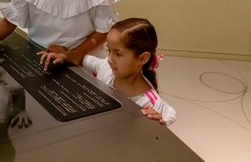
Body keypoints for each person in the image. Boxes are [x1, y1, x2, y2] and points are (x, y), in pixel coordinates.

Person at [48, 17, 176, 125]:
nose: (110, 59)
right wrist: (64, 55)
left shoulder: (150, 103)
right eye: (110, 51)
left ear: (142, 58)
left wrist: (158, 122)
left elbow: (163, 123)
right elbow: (81, 58)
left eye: (118, 54)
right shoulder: (106, 68)